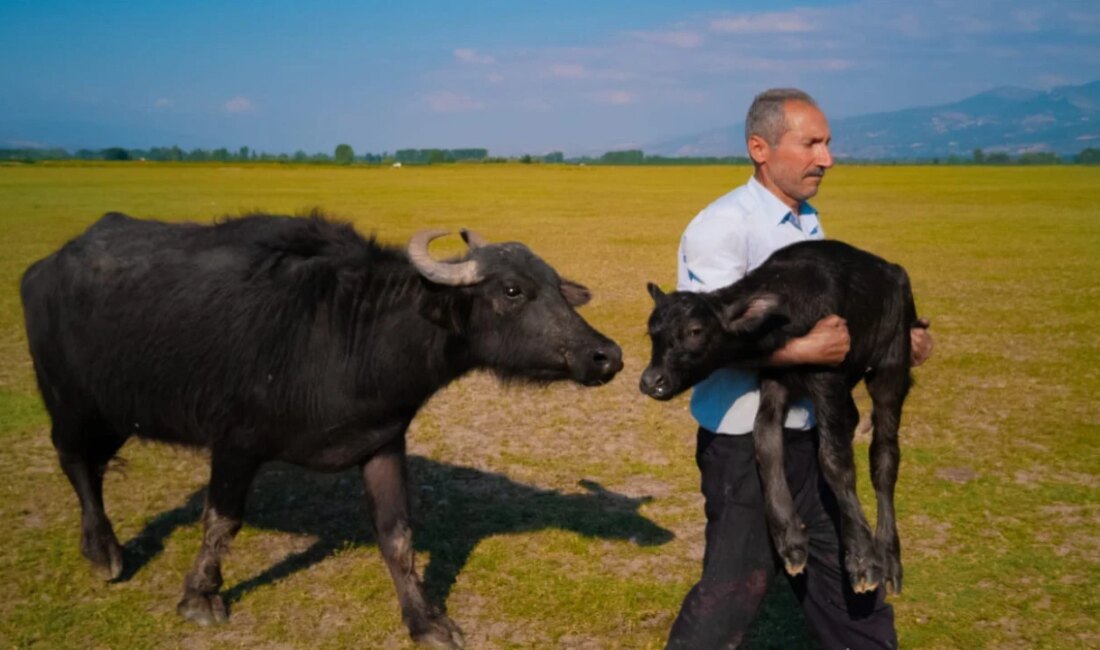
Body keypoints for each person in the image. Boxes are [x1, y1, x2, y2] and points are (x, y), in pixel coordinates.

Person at [666, 88, 933, 650]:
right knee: (732, 595)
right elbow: (698, 343)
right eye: (811, 143)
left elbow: (831, 326)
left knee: (850, 587)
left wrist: (895, 336)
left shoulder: (807, 223)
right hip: (744, 444)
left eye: (828, 143)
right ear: (760, 148)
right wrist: (801, 354)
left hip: (815, 435)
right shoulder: (722, 227)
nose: (826, 159)